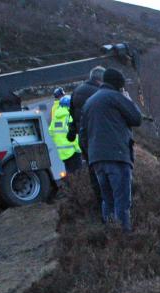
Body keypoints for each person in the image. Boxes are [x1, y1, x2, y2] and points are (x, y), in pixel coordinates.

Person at [81, 68, 143, 232]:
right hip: (117, 157)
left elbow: (83, 134)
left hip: (97, 160)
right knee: (122, 203)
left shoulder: (89, 102)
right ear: (119, 85)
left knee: (107, 201)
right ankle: (123, 240)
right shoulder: (116, 97)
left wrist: (90, 155)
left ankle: (110, 236)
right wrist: (128, 99)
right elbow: (137, 119)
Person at [68, 66, 105, 213]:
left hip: (83, 138)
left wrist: (73, 131)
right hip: (96, 137)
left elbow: (72, 114)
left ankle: (98, 201)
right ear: (99, 79)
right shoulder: (98, 93)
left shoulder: (77, 91)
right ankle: (106, 204)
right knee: (104, 171)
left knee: (92, 170)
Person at [48, 95, 83, 174]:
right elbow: (75, 135)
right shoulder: (70, 117)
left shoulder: (55, 118)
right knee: (78, 175)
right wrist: (79, 149)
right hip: (73, 152)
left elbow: (50, 133)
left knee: (66, 174)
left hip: (59, 153)